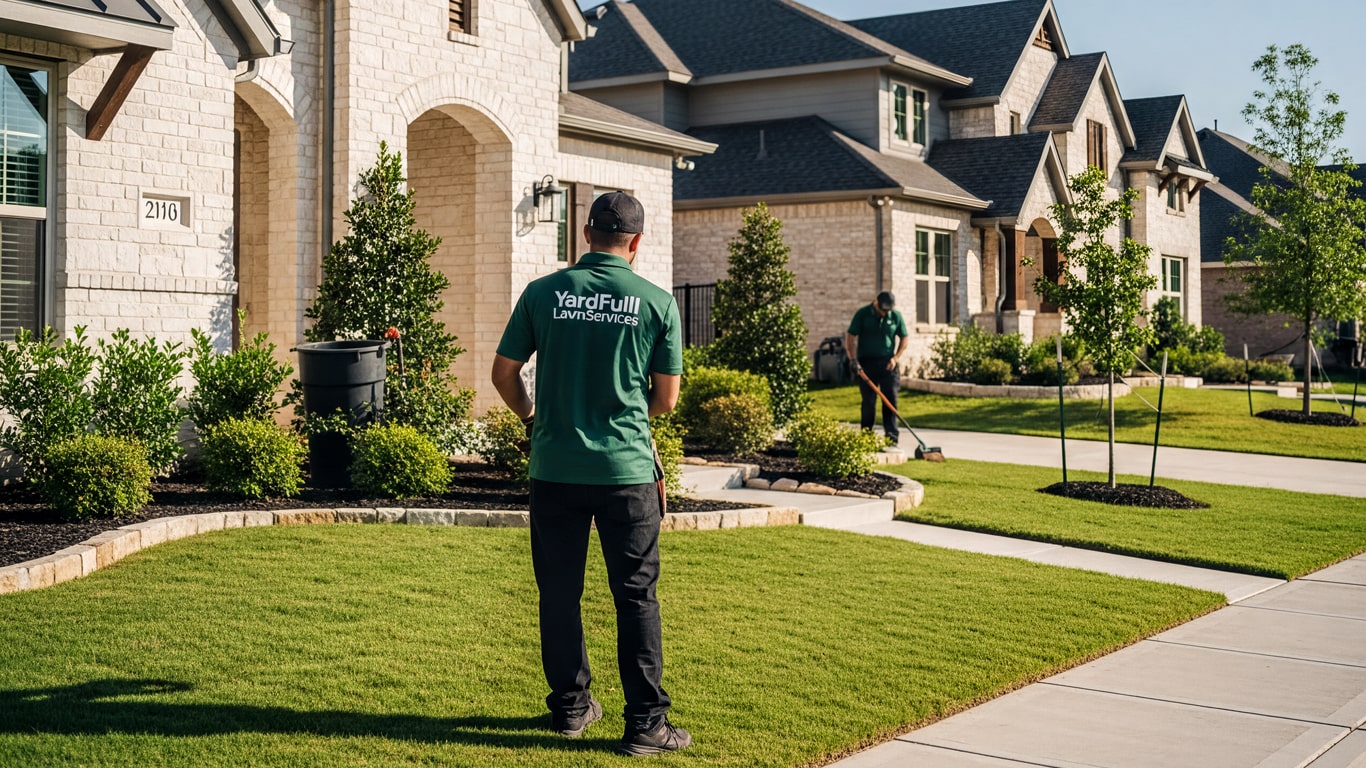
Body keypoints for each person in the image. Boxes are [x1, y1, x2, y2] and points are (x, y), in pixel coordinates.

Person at [491, 190, 691, 757]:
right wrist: (622, 415)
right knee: (635, 597)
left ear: (585, 235)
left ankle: (571, 709)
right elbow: (667, 400)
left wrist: (534, 416)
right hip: (626, 470)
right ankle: (646, 724)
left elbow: (504, 373)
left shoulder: (543, 293)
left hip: (555, 468)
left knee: (558, 592)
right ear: (637, 241)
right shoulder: (656, 302)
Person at [845, 291, 909, 445]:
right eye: (883, 310)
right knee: (868, 402)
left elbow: (904, 338)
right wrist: (854, 361)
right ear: (876, 304)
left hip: (888, 364)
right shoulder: (863, 314)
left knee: (890, 400)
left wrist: (896, 358)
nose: (885, 313)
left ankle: (891, 438)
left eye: (888, 310)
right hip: (866, 365)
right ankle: (866, 437)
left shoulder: (895, 316)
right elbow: (851, 337)